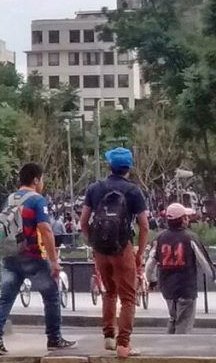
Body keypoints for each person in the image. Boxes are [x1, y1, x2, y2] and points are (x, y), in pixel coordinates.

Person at [0, 163, 76, 356]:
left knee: (6, 297)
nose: (42, 183)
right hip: (32, 257)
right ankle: (54, 338)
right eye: (42, 179)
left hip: (9, 256)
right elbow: (46, 229)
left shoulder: (9, 199)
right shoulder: (37, 200)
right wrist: (54, 261)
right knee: (51, 295)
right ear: (36, 180)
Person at [80, 147, 149, 358]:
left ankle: (109, 337)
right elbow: (144, 226)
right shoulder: (133, 191)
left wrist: (93, 243)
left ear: (110, 165)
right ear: (128, 168)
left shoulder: (95, 188)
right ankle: (123, 345)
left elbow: (83, 222)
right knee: (128, 298)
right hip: (122, 248)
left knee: (109, 292)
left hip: (101, 249)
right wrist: (139, 253)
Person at [145, 203, 214, 334]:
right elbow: (204, 262)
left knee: (173, 318)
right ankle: (179, 344)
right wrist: (213, 276)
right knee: (184, 322)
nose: (188, 219)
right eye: (186, 217)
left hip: (167, 288)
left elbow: (150, 263)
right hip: (186, 287)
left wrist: (151, 280)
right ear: (182, 220)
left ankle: (169, 343)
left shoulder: (159, 238)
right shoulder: (190, 237)